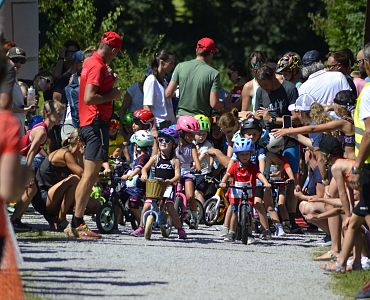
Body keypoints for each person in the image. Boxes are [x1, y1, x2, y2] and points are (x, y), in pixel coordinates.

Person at [64, 31, 123, 239]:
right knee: (90, 176)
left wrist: (108, 80)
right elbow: (89, 97)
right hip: (95, 122)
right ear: (113, 50)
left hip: (88, 122)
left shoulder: (90, 61)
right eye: (117, 53)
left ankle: (74, 224)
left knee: (90, 176)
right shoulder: (97, 65)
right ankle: (77, 224)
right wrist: (112, 94)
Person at [324, 42, 370, 272]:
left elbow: (369, 131)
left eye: (361, 62)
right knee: (355, 218)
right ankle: (346, 262)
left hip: (365, 163)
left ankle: (349, 260)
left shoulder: (367, 91)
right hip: (362, 163)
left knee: (360, 215)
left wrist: (358, 166)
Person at [11, 100, 66, 231]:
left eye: (61, 114)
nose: (60, 117)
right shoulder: (42, 131)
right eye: (58, 114)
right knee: (31, 188)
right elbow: (30, 153)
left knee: (31, 190)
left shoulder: (43, 128)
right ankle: (14, 220)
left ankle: (15, 220)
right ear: (48, 114)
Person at [135, 128, 187, 239]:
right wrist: (144, 175)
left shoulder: (175, 160)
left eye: (167, 140)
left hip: (168, 186)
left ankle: (180, 229)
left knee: (169, 206)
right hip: (156, 186)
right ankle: (141, 226)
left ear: (173, 144)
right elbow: (144, 169)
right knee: (147, 204)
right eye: (161, 139)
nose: (163, 142)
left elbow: (178, 175)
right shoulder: (155, 158)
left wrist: (170, 181)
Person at [220, 138, 271, 242]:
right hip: (236, 192)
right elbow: (228, 174)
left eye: (247, 154)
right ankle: (232, 232)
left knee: (250, 214)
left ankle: (249, 234)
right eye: (242, 154)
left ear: (251, 154)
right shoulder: (234, 166)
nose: (244, 157)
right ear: (237, 155)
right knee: (234, 212)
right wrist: (223, 182)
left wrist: (266, 183)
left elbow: (259, 174)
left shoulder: (253, 167)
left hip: (249, 191)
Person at [35, 129, 84, 231]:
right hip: (44, 197)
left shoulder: (75, 155)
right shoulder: (64, 154)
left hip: (54, 196)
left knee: (95, 205)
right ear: (79, 141)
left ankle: (57, 218)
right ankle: (61, 220)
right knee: (74, 179)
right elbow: (83, 174)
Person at [165, 37, 223, 117]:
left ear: (196, 50)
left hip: (182, 119)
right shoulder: (214, 73)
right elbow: (214, 104)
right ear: (211, 53)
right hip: (201, 122)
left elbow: (168, 93)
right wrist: (225, 107)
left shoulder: (180, 66)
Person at [122, 130, 153, 224]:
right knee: (121, 195)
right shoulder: (139, 156)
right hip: (135, 184)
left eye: (134, 145)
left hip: (140, 185)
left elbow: (139, 168)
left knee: (133, 204)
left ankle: (142, 224)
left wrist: (129, 176)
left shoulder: (143, 157)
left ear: (137, 146)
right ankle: (119, 220)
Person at [176, 115, 201, 228]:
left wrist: (197, 165)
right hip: (175, 170)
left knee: (190, 196)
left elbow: (196, 159)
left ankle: (194, 215)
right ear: (181, 132)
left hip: (187, 171)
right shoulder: (174, 144)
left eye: (193, 134)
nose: (192, 137)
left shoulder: (192, 146)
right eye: (189, 134)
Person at [143, 50, 176, 129]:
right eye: (171, 63)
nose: (173, 66)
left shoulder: (164, 82)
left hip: (169, 125)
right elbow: (147, 107)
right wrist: (153, 128)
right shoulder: (151, 80)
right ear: (162, 63)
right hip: (158, 125)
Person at [6, 47, 35, 135]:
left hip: (17, 128)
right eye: (15, 60)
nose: (18, 64)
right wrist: (25, 109)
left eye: (21, 61)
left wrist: (26, 105)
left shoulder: (13, 78)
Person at [193, 114, 214, 205]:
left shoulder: (208, 144)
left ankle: (202, 213)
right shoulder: (192, 143)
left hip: (203, 173)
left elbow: (210, 157)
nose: (201, 137)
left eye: (204, 134)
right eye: (199, 134)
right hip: (192, 172)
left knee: (198, 192)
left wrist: (211, 167)